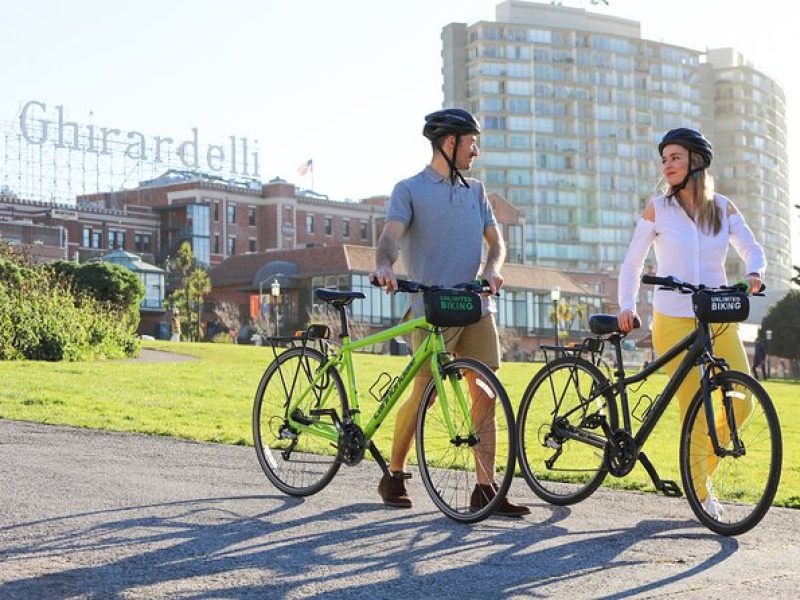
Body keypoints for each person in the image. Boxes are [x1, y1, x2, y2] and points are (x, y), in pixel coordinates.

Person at [369, 108, 529, 517]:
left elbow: (496, 244)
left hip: (474, 305)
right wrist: (385, 265)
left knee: (486, 392)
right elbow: (390, 237)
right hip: (431, 308)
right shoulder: (409, 189)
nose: (476, 150)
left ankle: (484, 488)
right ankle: (395, 472)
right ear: (448, 142)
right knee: (425, 394)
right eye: (471, 141)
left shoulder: (476, 191)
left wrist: (492, 270)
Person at [617, 127, 766, 518]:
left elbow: (751, 247)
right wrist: (626, 305)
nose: (667, 165)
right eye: (664, 159)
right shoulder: (657, 209)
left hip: (717, 315)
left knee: (743, 401)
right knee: (695, 408)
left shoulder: (723, 208)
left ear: (696, 161)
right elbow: (633, 262)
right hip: (673, 318)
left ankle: (694, 470)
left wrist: (754, 273)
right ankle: (701, 491)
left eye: (675, 157)